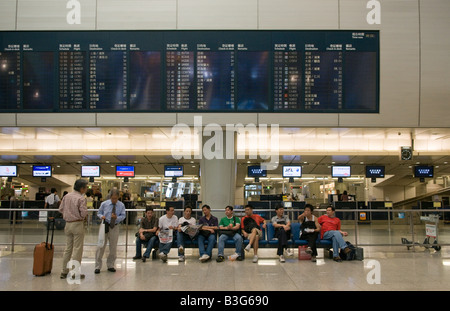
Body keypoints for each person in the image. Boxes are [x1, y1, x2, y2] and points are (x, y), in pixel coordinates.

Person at [59, 179, 88, 280]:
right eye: (86, 187)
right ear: (82, 188)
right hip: (77, 224)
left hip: (67, 224)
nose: (86, 189)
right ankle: (75, 273)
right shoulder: (81, 198)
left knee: (68, 248)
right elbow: (84, 213)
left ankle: (64, 271)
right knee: (77, 249)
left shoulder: (66, 196)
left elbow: (60, 209)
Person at [95, 189, 126, 273]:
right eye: (112, 198)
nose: (114, 200)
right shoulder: (104, 204)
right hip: (105, 225)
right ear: (110, 197)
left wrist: (117, 218)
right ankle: (97, 266)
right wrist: (102, 216)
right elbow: (99, 213)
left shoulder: (121, 205)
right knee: (101, 246)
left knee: (113, 247)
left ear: (118, 197)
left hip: (114, 227)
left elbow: (123, 215)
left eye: (116, 198)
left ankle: (110, 265)